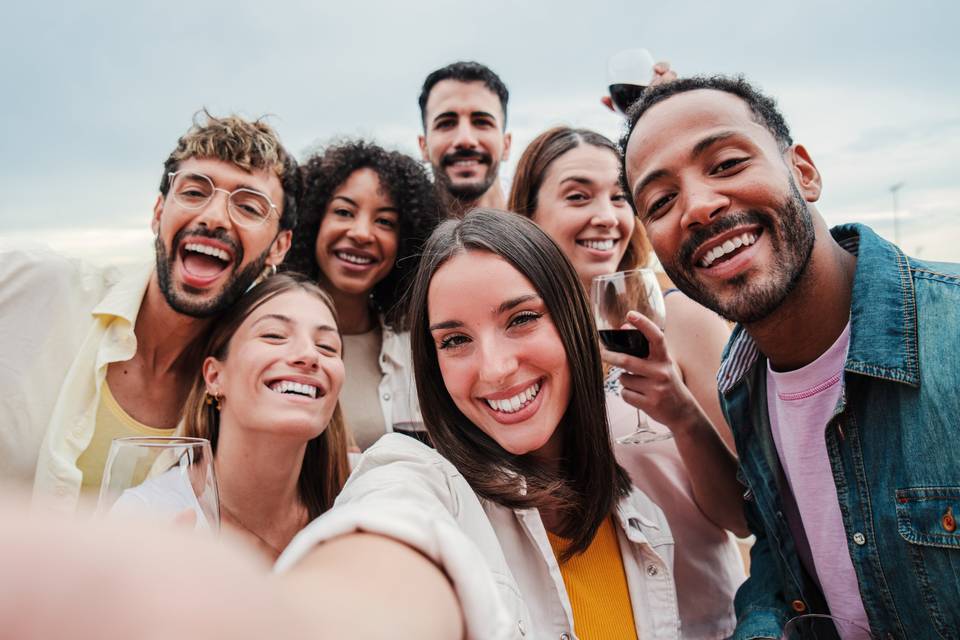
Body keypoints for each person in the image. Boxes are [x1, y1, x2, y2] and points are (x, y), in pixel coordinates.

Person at [620, 75, 960, 639]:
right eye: (661, 200)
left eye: (726, 163)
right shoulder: (743, 384)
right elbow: (785, 574)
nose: (699, 207)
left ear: (803, 172)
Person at [278, 209, 681, 639]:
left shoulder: (644, 521)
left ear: (574, 323)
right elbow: (383, 535)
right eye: (455, 340)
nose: (494, 369)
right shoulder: (421, 481)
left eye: (521, 319)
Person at [510, 126, 747, 638]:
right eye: (578, 196)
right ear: (528, 218)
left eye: (620, 196)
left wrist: (681, 414)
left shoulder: (685, 319)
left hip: (703, 623)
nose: (607, 215)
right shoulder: (518, 347)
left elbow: (746, 518)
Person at [0, 112, 299, 512]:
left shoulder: (249, 389)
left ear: (279, 247)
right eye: (194, 193)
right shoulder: (32, 287)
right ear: (158, 213)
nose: (212, 217)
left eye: (248, 206)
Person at [112, 274, 351, 560]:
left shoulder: (363, 499)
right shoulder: (146, 518)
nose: (309, 355)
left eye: (327, 346)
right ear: (215, 376)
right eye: (274, 335)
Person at [284, 140, 440, 449]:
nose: (361, 233)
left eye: (384, 221)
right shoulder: (260, 335)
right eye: (344, 211)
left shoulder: (417, 348)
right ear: (312, 221)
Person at [417, 61, 512, 217]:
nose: (465, 140)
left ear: (506, 145)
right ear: (424, 147)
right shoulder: (398, 233)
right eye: (446, 124)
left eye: (482, 122)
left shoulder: (542, 227)